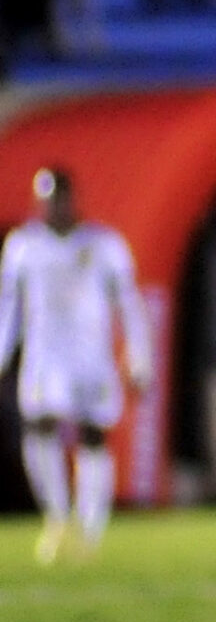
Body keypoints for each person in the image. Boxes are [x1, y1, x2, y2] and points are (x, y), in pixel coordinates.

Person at [0, 169, 152, 564]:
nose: (52, 206)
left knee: (92, 436)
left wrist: (138, 356)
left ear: (72, 197)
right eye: (45, 199)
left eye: (58, 197)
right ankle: (57, 517)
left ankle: (88, 528)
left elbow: (129, 304)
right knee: (40, 426)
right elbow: (9, 310)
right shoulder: (23, 247)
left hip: (90, 358)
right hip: (44, 356)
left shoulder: (104, 244)